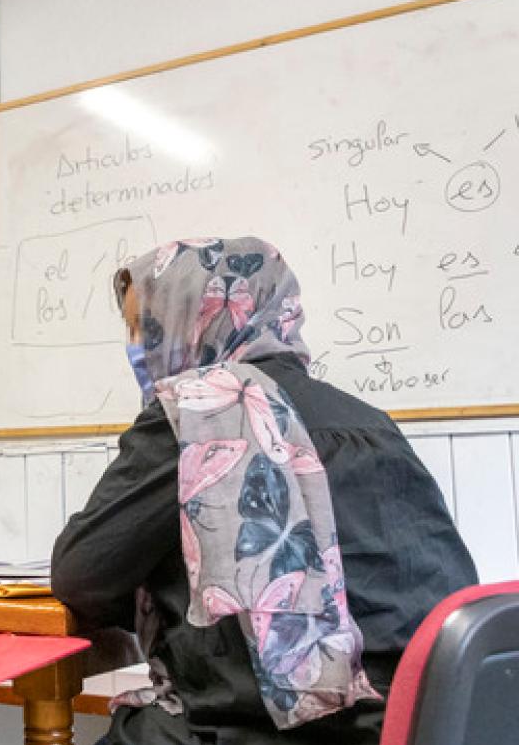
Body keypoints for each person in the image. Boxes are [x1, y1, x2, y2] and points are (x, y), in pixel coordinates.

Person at [51, 236, 476, 745]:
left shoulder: (198, 413)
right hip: (415, 720)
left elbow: (81, 573)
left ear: (190, 320)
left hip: (276, 728)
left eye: (146, 328)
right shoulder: (370, 422)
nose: (138, 348)